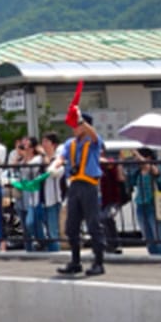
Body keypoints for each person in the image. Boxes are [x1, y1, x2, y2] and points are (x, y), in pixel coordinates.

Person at [55, 113, 110, 276]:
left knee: (93, 225)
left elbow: (94, 136)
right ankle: (75, 261)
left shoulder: (93, 141)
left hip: (89, 185)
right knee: (71, 226)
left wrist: (82, 120)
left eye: (77, 124)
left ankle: (98, 263)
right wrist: (55, 164)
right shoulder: (69, 143)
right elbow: (62, 156)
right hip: (74, 186)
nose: (74, 128)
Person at [127, 147, 161, 256]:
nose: (137, 160)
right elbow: (128, 181)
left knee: (158, 234)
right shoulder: (138, 172)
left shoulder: (155, 167)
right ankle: (153, 255)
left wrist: (138, 156)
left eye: (139, 157)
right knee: (147, 234)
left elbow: (157, 173)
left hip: (153, 204)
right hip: (141, 204)